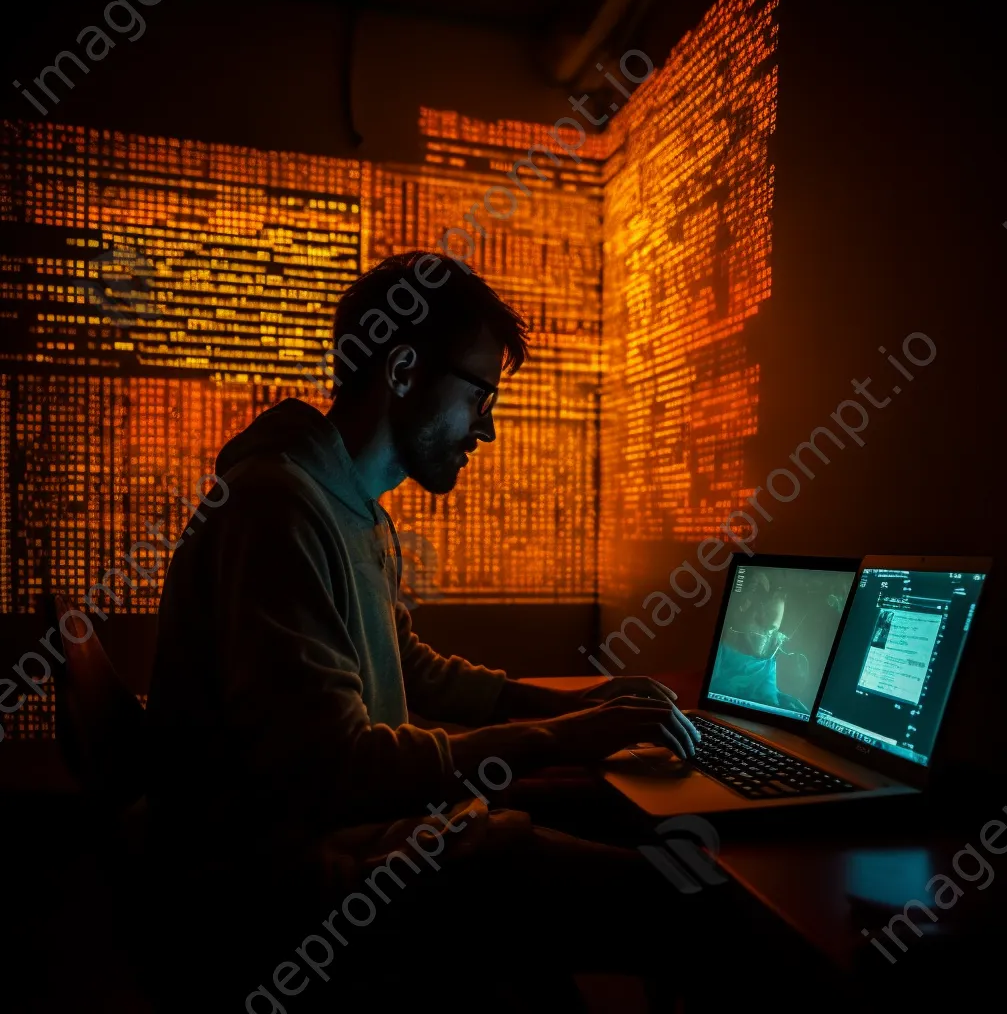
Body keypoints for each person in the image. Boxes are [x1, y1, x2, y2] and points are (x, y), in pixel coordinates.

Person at [142, 251, 712, 1010]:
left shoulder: (345, 502)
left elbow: (404, 666)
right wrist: (562, 738)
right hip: (276, 887)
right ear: (404, 369)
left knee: (619, 848)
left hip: (330, 837)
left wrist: (564, 708)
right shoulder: (277, 509)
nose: (490, 428)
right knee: (683, 894)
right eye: (480, 395)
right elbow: (332, 766)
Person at [710, 572, 809, 714]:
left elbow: (769, 702)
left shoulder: (767, 664)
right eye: (760, 622)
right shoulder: (718, 648)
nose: (764, 635)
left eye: (771, 629)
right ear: (745, 607)